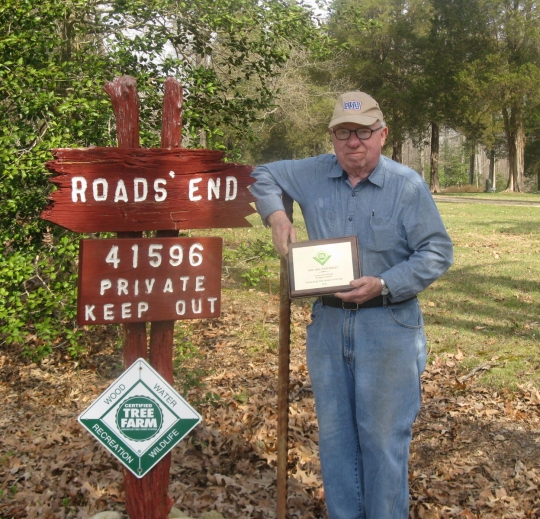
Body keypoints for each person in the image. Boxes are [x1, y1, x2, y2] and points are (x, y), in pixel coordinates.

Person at [250, 91, 453, 519]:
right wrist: (277, 216)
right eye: (343, 132)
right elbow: (262, 173)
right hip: (327, 326)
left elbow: (437, 251)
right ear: (333, 137)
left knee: (382, 439)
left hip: (388, 328)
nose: (353, 142)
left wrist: (384, 283)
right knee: (337, 438)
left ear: (383, 135)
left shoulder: (406, 185)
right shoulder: (311, 174)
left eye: (363, 132)